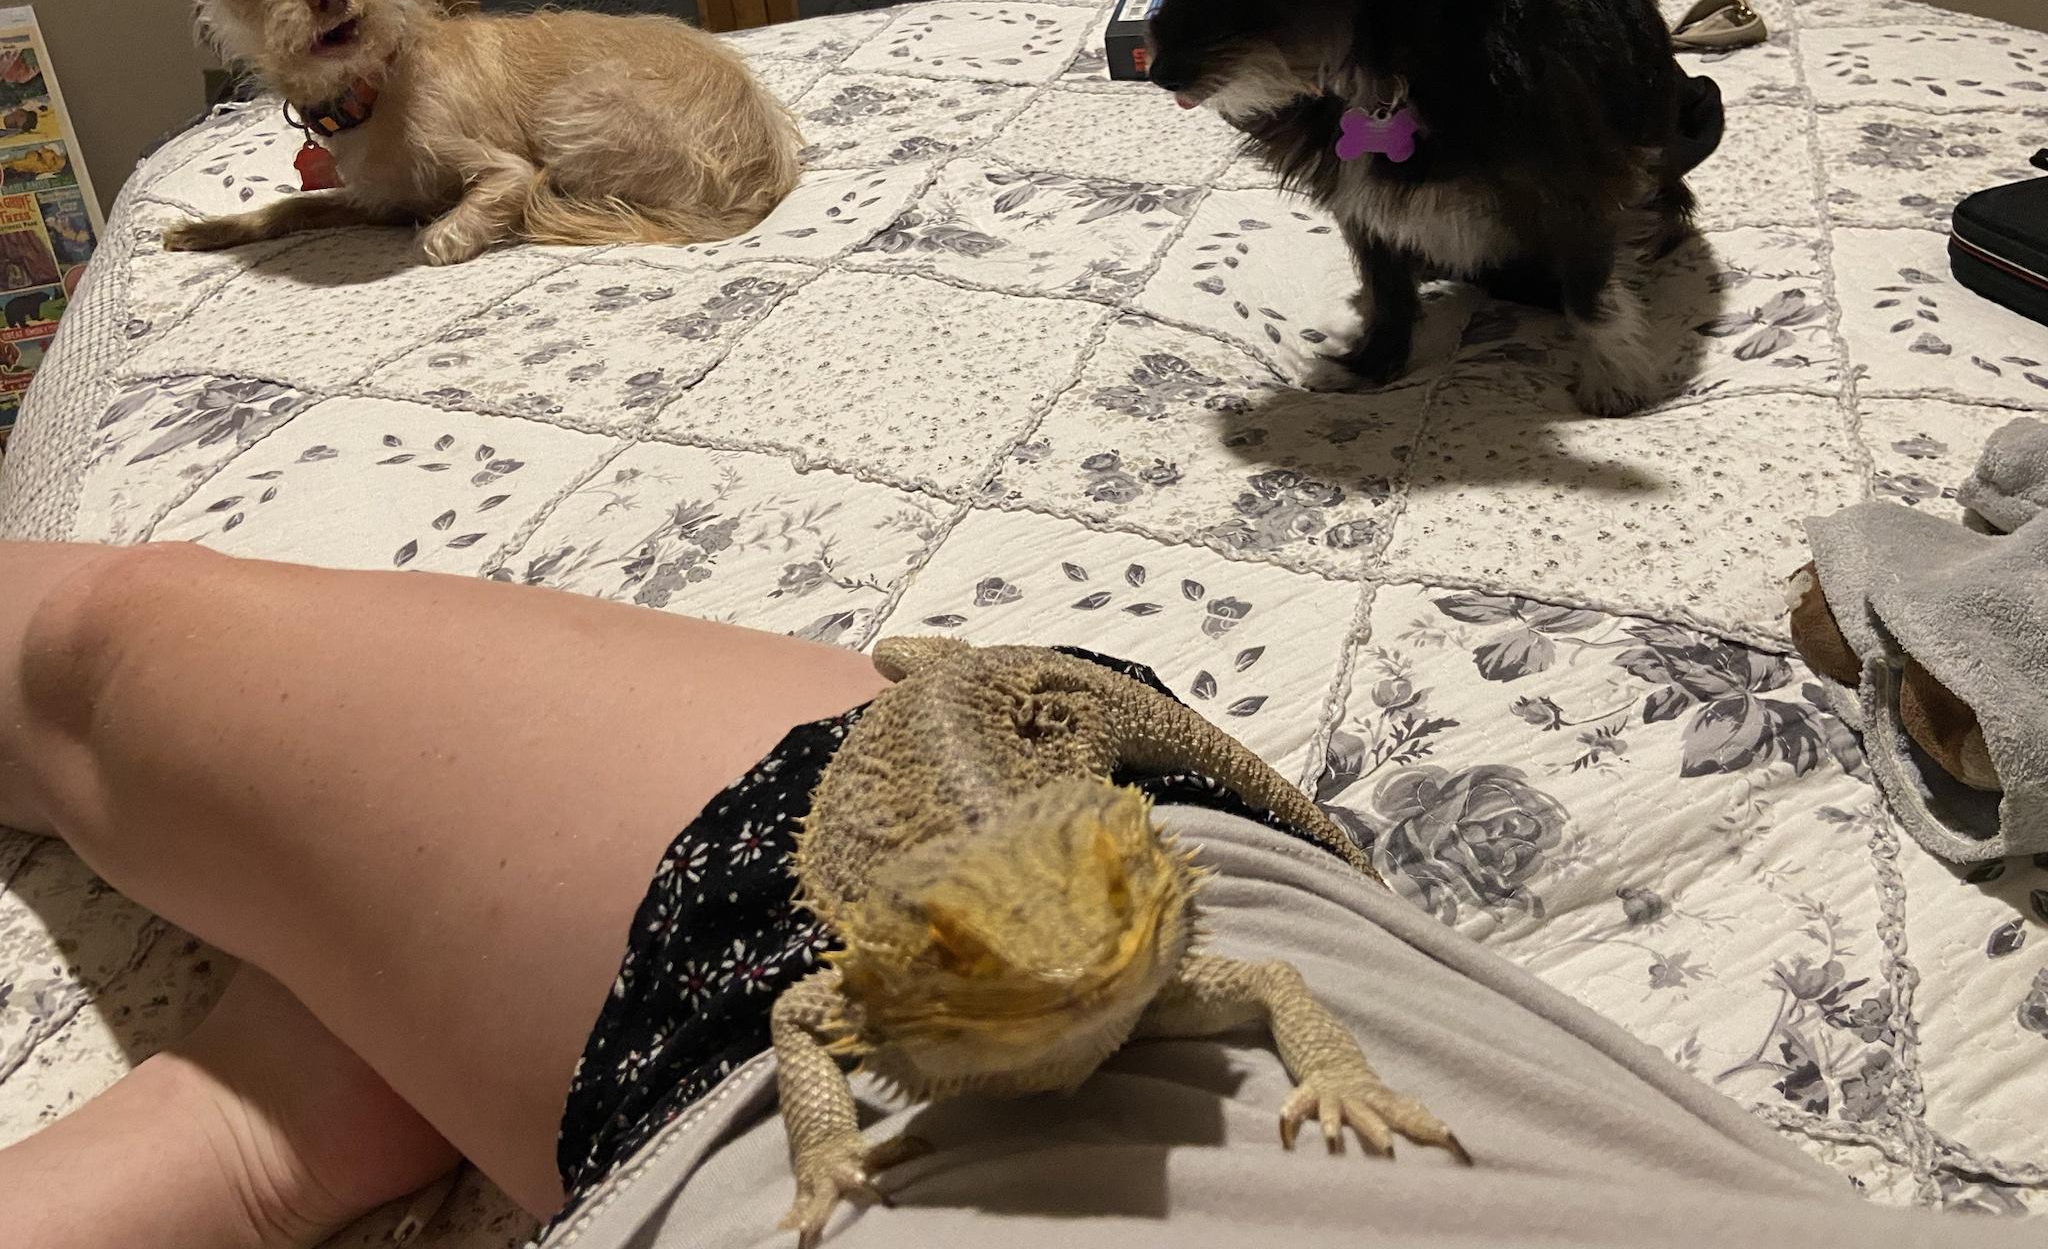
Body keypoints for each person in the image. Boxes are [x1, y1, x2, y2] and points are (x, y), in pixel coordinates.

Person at [0, 540, 2037, 1249]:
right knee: (110, 643)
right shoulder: (1047, 962)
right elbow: (828, 1006)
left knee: (98, 661)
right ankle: (363, 1053)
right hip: (950, 855)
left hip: (705, 1043)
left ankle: (325, 1078)